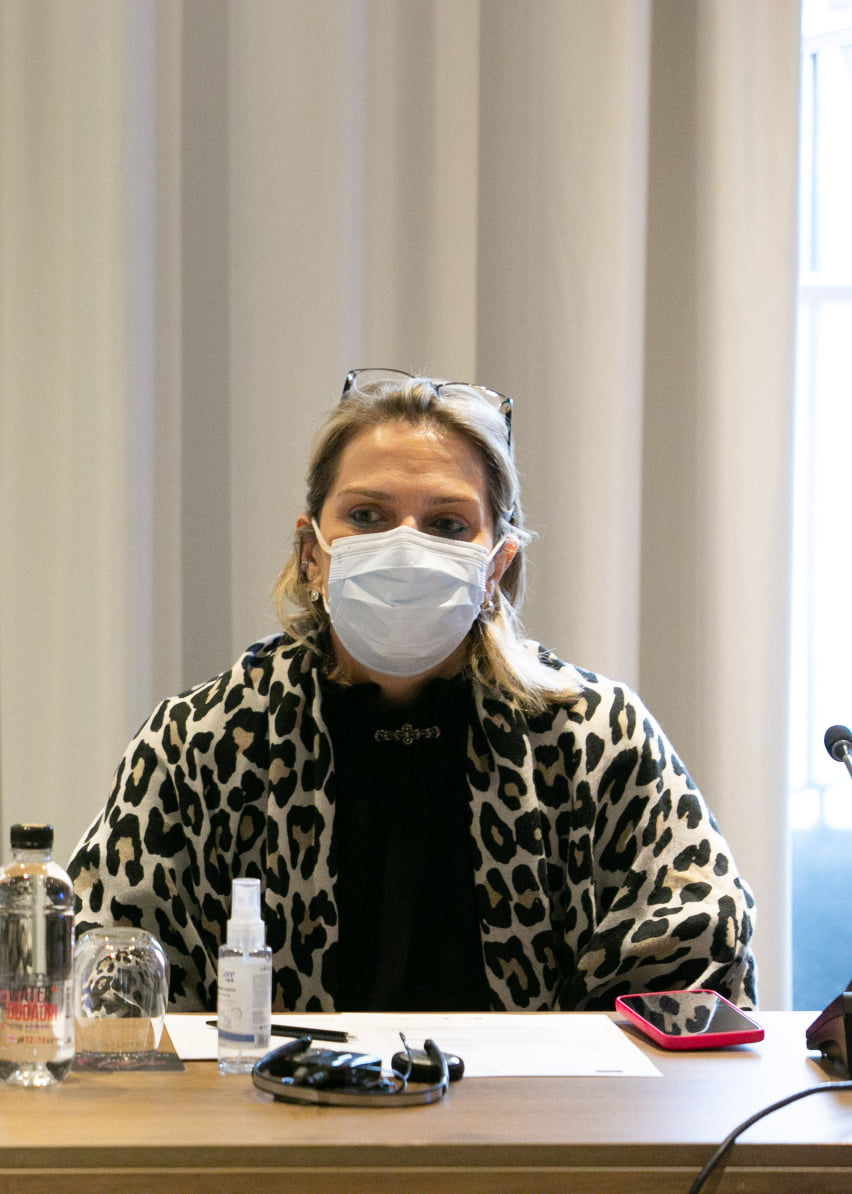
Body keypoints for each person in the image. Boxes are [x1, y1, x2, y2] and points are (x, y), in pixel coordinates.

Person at [68, 369, 755, 1014]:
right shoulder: (200, 742)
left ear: (496, 567)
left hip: (533, 1106)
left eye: (447, 525)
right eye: (367, 516)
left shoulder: (595, 738)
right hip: (267, 1104)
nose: (405, 546)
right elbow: (104, 975)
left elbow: (700, 947)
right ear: (311, 554)